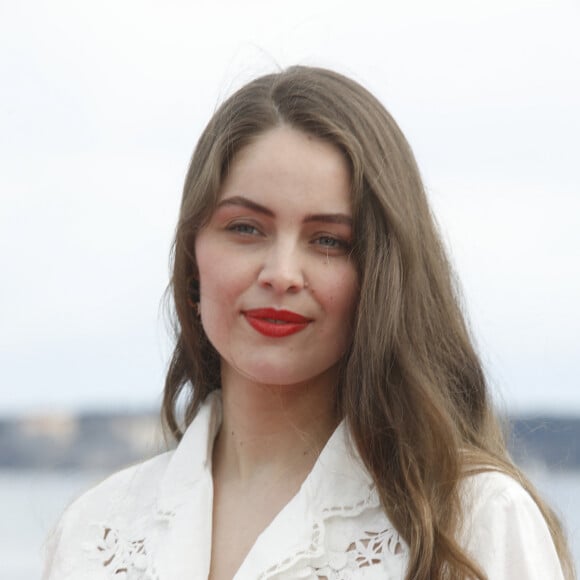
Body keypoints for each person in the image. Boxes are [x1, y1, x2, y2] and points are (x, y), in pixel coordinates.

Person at [43, 66, 575, 580]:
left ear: (383, 276)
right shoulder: (94, 532)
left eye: (329, 241)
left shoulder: (476, 522)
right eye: (246, 227)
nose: (281, 274)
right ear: (192, 254)